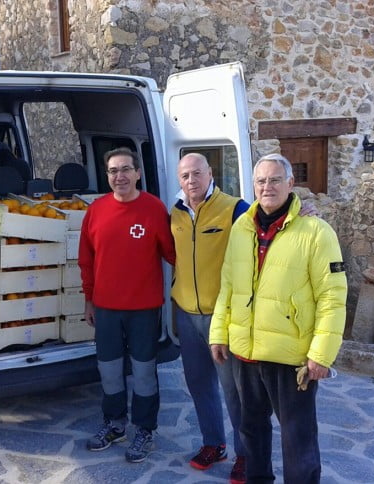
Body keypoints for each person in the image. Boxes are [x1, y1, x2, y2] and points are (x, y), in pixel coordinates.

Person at [210, 153, 347, 483]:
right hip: (246, 352)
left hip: (291, 358)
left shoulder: (316, 231)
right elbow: (228, 283)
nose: (267, 186)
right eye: (261, 180)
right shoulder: (242, 228)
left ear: (290, 184)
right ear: (253, 186)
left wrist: (321, 355)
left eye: (274, 180)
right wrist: (218, 332)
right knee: (252, 430)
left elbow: (332, 297)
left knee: (297, 439)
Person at [78, 147, 176, 463]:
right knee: (108, 371)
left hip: (144, 308)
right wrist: (89, 299)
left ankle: (144, 429)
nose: (119, 176)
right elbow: (86, 260)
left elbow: (174, 254)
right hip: (106, 308)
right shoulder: (96, 211)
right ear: (107, 176)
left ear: (137, 173)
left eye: (125, 169)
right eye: (113, 171)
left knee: (145, 372)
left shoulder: (154, 209)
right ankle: (115, 424)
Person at [171, 153, 248, 483]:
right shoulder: (174, 213)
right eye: (185, 175)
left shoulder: (236, 208)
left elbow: (272, 225)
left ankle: (246, 454)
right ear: (179, 179)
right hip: (186, 315)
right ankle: (213, 444)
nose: (192, 180)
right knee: (199, 384)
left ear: (210, 173)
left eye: (197, 173)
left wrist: (305, 210)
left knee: (235, 391)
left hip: (222, 317)